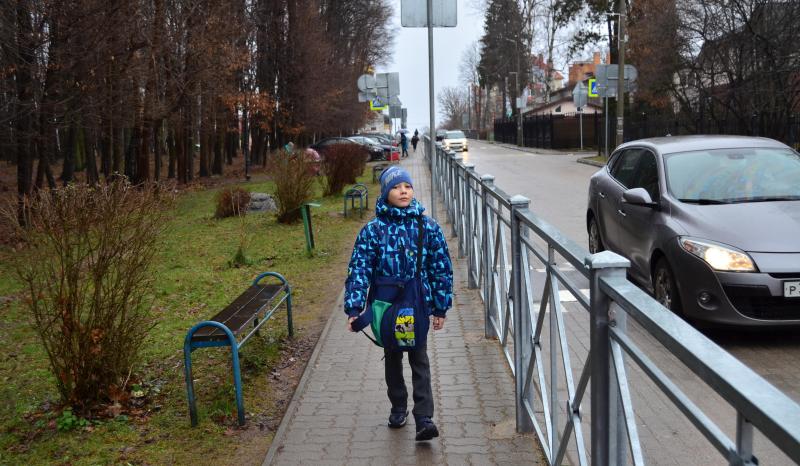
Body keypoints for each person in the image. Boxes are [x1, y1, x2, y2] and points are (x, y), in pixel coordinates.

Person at [344, 166, 453, 441]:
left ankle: (424, 417)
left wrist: (440, 307)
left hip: (417, 302)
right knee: (392, 356)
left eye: (407, 186)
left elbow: (441, 268)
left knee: (419, 356)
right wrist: (354, 307)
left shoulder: (426, 227)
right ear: (385, 192)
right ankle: (398, 406)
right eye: (395, 187)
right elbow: (359, 269)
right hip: (386, 304)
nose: (403, 191)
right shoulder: (373, 230)